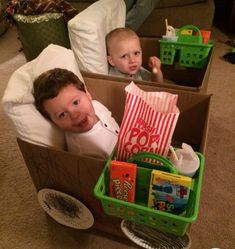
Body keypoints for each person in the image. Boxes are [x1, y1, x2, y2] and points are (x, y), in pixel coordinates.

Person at [33, 68, 119, 160]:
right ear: (53, 122)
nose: (75, 115)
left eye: (75, 103)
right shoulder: (85, 152)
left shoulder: (97, 105)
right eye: (62, 114)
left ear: (87, 94)